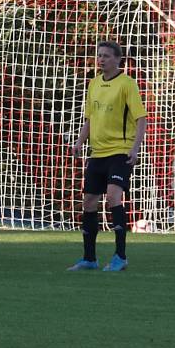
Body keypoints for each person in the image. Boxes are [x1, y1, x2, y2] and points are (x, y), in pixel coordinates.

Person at [69, 41, 147, 272]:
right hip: (98, 153)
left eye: (106, 56)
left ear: (117, 59)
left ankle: (120, 257)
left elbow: (141, 118)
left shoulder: (127, 84)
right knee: (89, 202)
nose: (101, 59)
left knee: (113, 196)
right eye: (99, 55)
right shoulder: (93, 84)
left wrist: (134, 149)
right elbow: (90, 118)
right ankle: (89, 259)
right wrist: (79, 142)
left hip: (120, 151)